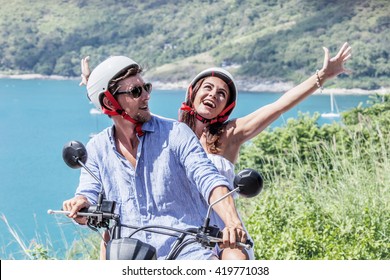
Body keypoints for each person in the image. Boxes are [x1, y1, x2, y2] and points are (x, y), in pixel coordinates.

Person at [63, 55, 248, 260]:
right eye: (136, 91)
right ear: (109, 101)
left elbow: (209, 178)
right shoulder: (97, 148)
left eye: (146, 88)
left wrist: (233, 222)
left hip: (186, 253)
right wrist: (79, 204)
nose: (146, 96)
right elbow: (87, 194)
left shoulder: (176, 133)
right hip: (128, 254)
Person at [178, 42, 352, 259]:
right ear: (193, 92)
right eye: (208, 87)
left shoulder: (229, 134)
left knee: (235, 261)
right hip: (180, 231)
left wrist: (322, 76)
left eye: (222, 93)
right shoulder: (171, 135)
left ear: (226, 106)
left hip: (226, 231)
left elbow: (279, 106)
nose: (214, 95)